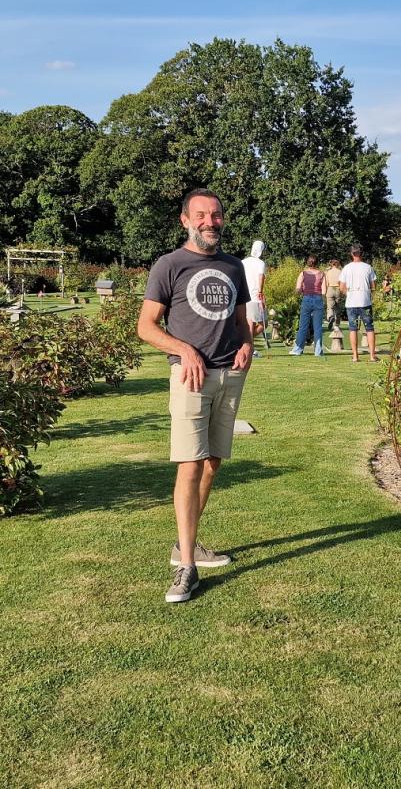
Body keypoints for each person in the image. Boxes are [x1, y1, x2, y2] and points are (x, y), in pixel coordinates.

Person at [137, 188, 253, 603]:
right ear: (185, 219)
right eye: (201, 215)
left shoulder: (233, 266)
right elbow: (146, 327)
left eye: (216, 215)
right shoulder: (170, 265)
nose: (210, 222)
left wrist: (247, 345)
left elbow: (242, 322)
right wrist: (183, 349)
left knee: (212, 464)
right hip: (190, 379)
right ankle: (186, 567)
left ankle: (185, 544)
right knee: (189, 465)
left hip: (229, 376)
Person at [339, 244, 378, 363]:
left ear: (351, 254)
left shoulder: (346, 268)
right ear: (361, 253)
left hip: (351, 302)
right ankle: (372, 356)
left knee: (352, 328)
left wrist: (348, 294)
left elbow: (342, 287)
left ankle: (355, 356)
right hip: (365, 301)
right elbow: (373, 286)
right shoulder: (368, 267)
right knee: (369, 328)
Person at [289, 255, 327, 357]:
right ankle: (318, 351)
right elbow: (324, 291)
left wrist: (301, 290)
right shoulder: (322, 274)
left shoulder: (303, 273)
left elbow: (298, 289)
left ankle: (298, 349)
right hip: (318, 299)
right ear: (317, 263)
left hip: (306, 299)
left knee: (303, 326)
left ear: (307, 262)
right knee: (318, 327)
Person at [242, 240, 267, 358]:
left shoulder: (243, 262)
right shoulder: (260, 263)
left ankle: (245, 343)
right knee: (259, 324)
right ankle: (249, 350)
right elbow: (261, 277)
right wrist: (261, 292)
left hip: (244, 296)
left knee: (253, 324)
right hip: (254, 296)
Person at [325, 258, 343, 330]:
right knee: (337, 307)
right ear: (337, 264)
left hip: (330, 288)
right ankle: (336, 325)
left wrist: (325, 291)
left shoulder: (328, 272)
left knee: (330, 307)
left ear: (331, 264)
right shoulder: (340, 272)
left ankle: (330, 316)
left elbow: (326, 283)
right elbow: (342, 282)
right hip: (338, 289)